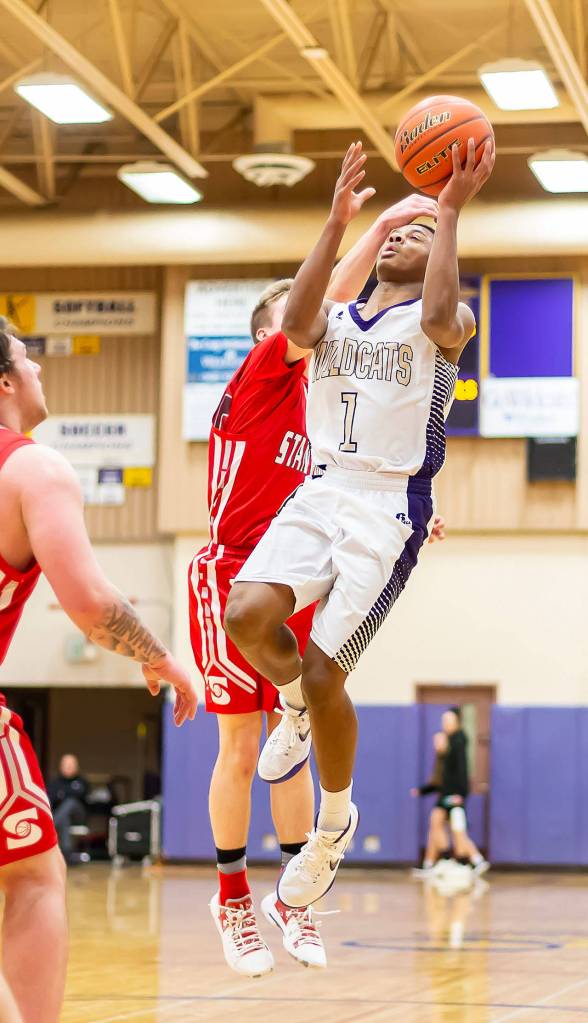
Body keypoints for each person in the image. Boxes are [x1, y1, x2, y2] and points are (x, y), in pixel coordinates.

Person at [225, 137, 494, 908]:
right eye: (398, 233)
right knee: (245, 614)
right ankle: (297, 710)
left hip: (388, 508)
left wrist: (446, 213)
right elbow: (296, 324)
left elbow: (440, 308)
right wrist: (343, 222)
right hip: (320, 487)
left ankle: (334, 825)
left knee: (322, 667)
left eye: (418, 237)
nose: (402, 239)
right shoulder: (339, 319)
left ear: (438, 249)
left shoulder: (446, 320)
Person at [189, 191, 441, 977]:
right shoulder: (269, 366)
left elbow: (377, 448)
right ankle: (232, 897)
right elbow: (323, 305)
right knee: (239, 746)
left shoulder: (328, 406)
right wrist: (372, 226)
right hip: (236, 567)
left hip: (312, 557)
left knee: (300, 728)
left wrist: (412, 508)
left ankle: (296, 892)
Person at [0, 318, 197, 1023]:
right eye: (29, 361)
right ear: (5, 383)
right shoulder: (32, 467)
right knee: (31, 873)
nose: (41, 372)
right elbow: (88, 603)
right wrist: (162, 656)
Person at [440, 707, 489, 875]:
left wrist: (459, 794)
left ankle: (475, 859)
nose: (445, 724)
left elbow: (461, 771)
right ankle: (454, 860)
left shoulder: (458, 741)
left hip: (455, 794)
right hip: (449, 794)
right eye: (443, 721)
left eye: (448, 720)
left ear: (457, 722)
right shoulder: (451, 740)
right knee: (445, 824)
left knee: (457, 827)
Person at [47, 754, 89, 865]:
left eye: (71, 765)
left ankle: (50, 827)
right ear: (61, 767)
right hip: (62, 815)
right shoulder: (54, 783)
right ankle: (66, 853)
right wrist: (67, 793)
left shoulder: (82, 781)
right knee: (65, 817)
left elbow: (81, 795)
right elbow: (50, 800)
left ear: (77, 767)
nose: (69, 767)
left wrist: (62, 794)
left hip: (79, 816)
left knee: (70, 802)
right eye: (66, 765)